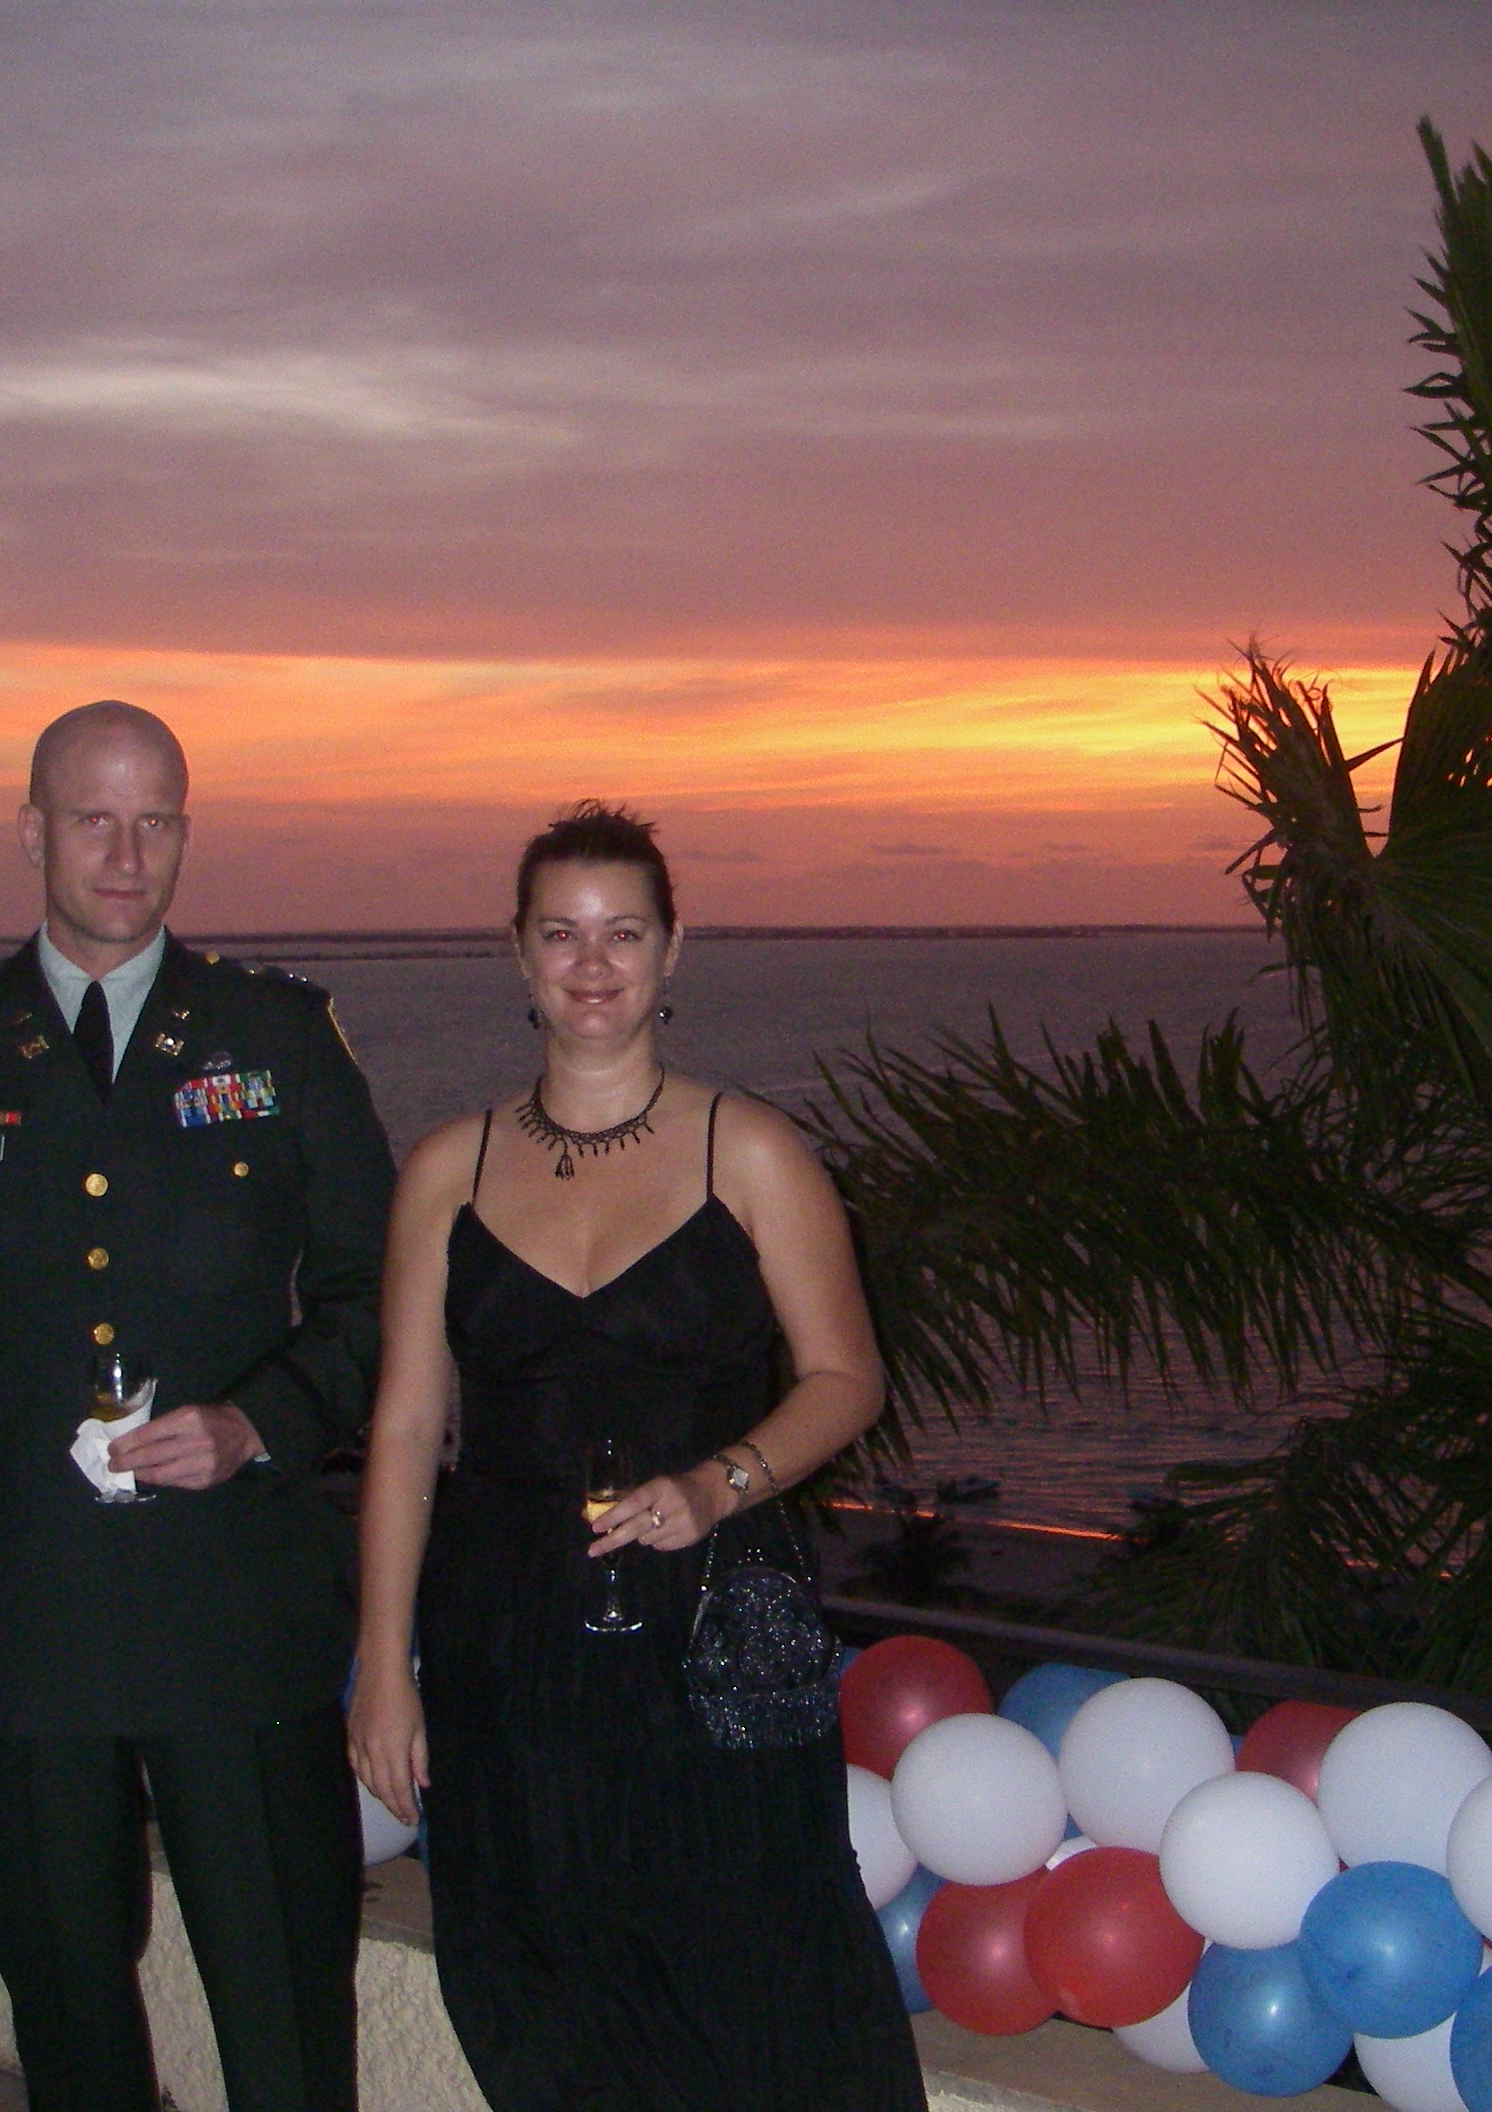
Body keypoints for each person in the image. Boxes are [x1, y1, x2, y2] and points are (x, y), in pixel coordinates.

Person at [0, 699, 397, 2112]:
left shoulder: (279, 1036)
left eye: (156, 820)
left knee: (281, 1999)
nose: (125, 851)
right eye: (93, 816)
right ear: (32, 831)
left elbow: (378, 1295)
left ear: (187, 835)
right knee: (68, 1998)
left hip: (238, 1612)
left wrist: (260, 1418)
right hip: (23, 1619)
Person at [347, 802, 927, 2112]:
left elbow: (847, 1378)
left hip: (717, 1628)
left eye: (623, 933)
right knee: (534, 1965)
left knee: (758, 1966)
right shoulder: (448, 1169)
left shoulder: (754, 1152)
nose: (592, 963)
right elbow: (399, 1431)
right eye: (561, 933)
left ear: (674, 952)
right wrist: (385, 1669)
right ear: (518, 953)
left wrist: (720, 1480)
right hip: (508, 1636)